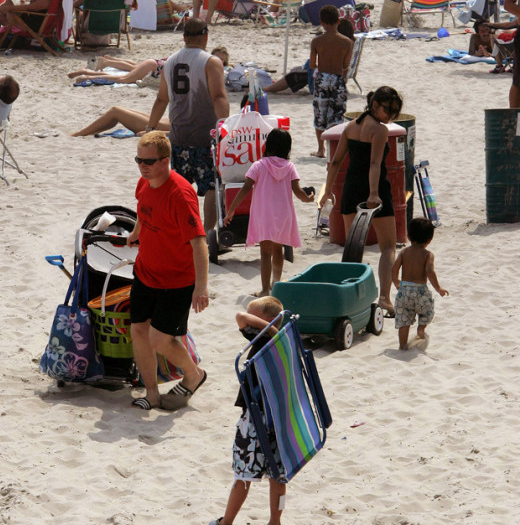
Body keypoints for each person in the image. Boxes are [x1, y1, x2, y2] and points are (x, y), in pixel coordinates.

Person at [126, 131, 209, 411]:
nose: (142, 165)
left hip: (177, 280)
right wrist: (136, 233)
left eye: (148, 161)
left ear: (165, 160)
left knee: (159, 339)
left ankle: (193, 373)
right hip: (146, 272)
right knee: (138, 331)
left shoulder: (181, 195)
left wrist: (202, 287)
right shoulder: (144, 183)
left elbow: (199, 243)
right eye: (139, 159)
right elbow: (143, 209)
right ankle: (151, 393)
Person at [321, 85, 404, 314]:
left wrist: (328, 190)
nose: (390, 116)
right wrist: (374, 193)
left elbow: (336, 163)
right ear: (375, 105)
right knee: (388, 246)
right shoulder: (379, 131)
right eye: (387, 109)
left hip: (350, 189)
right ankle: (385, 298)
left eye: (394, 113)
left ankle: (351, 298)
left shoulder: (350, 126)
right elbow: (375, 164)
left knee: (353, 248)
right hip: (373, 190)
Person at [209, 295, 287, 525]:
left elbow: (240, 318)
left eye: (255, 313)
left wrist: (271, 327)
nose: (248, 315)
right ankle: (275, 524)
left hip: (254, 417)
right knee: (278, 475)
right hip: (277, 416)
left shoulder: (265, 337)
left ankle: (226, 521)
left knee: (243, 473)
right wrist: (276, 328)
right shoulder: (282, 342)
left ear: (265, 320)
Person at [146, 18, 229, 230]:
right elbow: (218, 96)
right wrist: (225, 127)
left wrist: (150, 126)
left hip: (179, 136)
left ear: (184, 37)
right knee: (211, 187)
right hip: (205, 136)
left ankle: (180, 231)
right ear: (206, 36)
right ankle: (209, 235)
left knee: (180, 189)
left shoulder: (170, 62)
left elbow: (161, 99)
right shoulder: (211, 62)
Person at [224, 129, 314, 295]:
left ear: (268, 145)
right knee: (278, 249)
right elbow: (298, 192)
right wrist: (308, 199)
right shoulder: (290, 167)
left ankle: (265, 290)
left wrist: (231, 210)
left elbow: (245, 189)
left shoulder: (259, 165)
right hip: (283, 215)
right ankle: (276, 284)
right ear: (287, 149)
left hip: (263, 215)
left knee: (265, 253)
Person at [392, 217, 448, 350]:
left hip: (404, 291)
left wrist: (396, 282)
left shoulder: (404, 252)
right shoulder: (428, 255)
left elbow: (394, 268)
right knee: (427, 311)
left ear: (408, 236)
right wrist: (438, 288)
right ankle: (421, 329)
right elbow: (429, 271)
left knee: (404, 320)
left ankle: (403, 345)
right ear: (430, 240)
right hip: (420, 291)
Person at [310, 5, 353, 158]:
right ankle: (335, 150)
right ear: (338, 21)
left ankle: (321, 150)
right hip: (337, 79)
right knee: (337, 114)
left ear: (322, 22)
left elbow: (311, 65)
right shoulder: (347, 42)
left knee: (320, 114)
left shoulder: (316, 41)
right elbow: (345, 65)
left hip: (322, 79)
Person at [67, 55, 162, 85]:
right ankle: (87, 75)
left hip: (156, 64)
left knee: (134, 68)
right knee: (122, 79)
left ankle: (87, 72)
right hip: (156, 68)